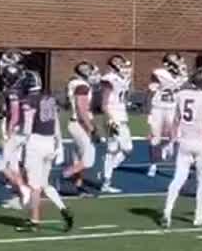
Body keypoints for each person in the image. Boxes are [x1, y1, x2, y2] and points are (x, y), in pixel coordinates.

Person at [16, 69, 74, 233]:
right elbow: (55, 123)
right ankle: (63, 209)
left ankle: (34, 221)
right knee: (44, 183)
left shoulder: (28, 101)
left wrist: (21, 146)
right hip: (50, 142)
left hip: (35, 142)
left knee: (34, 186)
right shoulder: (49, 99)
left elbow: (27, 127)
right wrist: (58, 144)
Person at [159, 68, 202, 229]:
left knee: (178, 178)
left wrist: (170, 142)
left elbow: (175, 121)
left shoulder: (181, 95)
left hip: (184, 142)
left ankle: (167, 211)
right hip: (201, 143)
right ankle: (198, 216)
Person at [0, 51, 31, 209]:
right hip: (21, 128)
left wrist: (9, 131)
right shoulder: (19, 87)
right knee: (13, 164)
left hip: (14, 129)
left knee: (1, 165)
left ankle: (24, 190)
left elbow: (14, 113)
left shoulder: (13, 91)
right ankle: (20, 197)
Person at [98, 55, 134, 188]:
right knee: (117, 149)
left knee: (124, 149)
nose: (122, 65)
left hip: (121, 115)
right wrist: (110, 118)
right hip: (113, 117)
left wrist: (128, 82)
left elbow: (124, 97)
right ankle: (106, 180)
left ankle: (106, 173)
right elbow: (104, 103)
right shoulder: (109, 79)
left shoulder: (121, 79)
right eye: (118, 62)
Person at [63, 61, 100, 194]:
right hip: (80, 124)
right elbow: (81, 109)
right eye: (90, 71)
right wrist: (91, 128)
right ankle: (64, 177)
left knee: (78, 157)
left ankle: (78, 185)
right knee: (88, 160)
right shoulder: (82, 86)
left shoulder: (75, 83)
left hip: (76, 123)